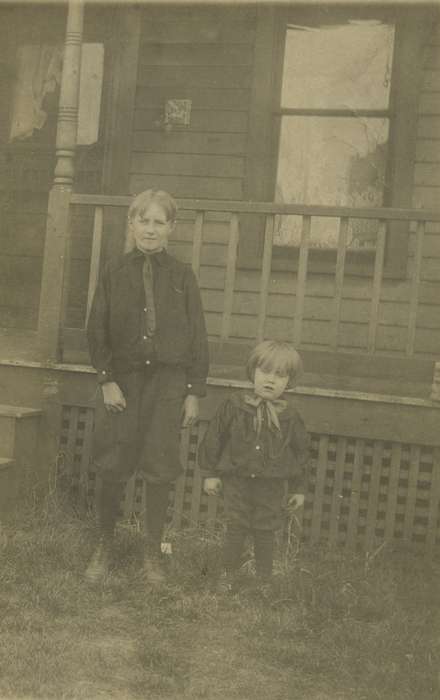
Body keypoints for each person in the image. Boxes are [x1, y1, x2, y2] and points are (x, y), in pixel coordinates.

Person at [85, 188, 209, 585]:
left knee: (159, 466)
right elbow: (97, 329)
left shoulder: (182, 276)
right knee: (112, 463)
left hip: (168, 385)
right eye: (144, 221)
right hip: (124, 383)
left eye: (159, 222)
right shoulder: (114, 272)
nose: (151, 230)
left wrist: (193, 391)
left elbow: (198, 336)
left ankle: (152, 551)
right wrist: (106, 381)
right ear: (132, 224)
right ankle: (104, 545)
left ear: (171, 228)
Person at [199, 340, 310, 592]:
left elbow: (301, 453)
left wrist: (299, 488)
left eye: (280, 375)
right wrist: (211, 474)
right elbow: (214, 438)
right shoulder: (234, 405)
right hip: (236, 480)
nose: (270, 380)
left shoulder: (289, 416)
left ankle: (264, 580)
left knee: (265, 528)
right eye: (265, 372)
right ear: (252, 372)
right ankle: (228, 575)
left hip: (271, 484)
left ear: (289, 382)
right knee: (236, 525)